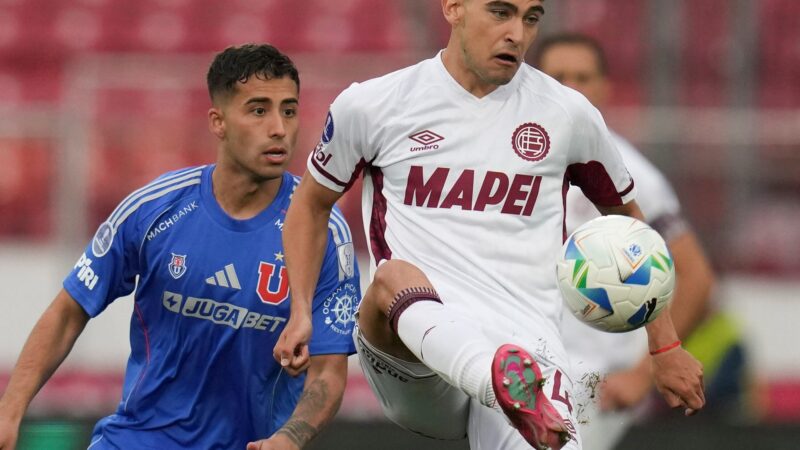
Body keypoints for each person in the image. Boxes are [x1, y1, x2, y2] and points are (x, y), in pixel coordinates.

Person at [274, 1, 705, 449]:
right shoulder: (374, 104)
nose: (517, 33)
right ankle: (494, 381)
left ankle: (508, 387)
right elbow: (309, 205)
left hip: (529, 351)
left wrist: (665, 347)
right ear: (453, 8)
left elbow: (630, 227)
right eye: (501, 13)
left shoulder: (567, 114)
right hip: (415, 353)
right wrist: (301, 311)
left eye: (531, 18)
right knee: (390, 278)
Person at [0, 44, 360, 450]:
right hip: (136, 440)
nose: (279, 128)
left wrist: (291, 437)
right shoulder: (155, 208)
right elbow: (69, 311)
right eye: (259, 110)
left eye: (289, 110)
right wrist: (9, 411)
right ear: (218, 121)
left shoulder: (324, 233)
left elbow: (329, 371)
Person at [533, 32, 742, 448]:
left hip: (594, 383)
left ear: (605, 88)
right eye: (558, 77)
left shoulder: (633, 177)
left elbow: (696, 278)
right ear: (533, 84)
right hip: (523, 363)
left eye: (583, 77)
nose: (572, 88)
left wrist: (641, 374)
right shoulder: (514, 161)